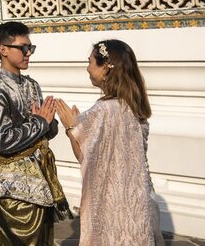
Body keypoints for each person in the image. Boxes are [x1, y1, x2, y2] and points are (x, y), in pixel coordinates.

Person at [55, 40, 165, 245]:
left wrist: (71, 128)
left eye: (90, 62)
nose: (87, 68)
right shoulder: (134, 106)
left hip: (111, 205)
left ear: (105, 67)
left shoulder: (102, 111)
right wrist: (81, 127)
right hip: (137, 201)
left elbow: (84, 157)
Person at [0, 22, 71, 245]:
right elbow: (1, 140)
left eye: (30, 48)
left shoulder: (32, 85)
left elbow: (46, 132)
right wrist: (40, 123)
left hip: (41, 176)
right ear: (3, 49)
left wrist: (48, 124)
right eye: (23, 48)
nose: (28, 53)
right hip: (13, 185)